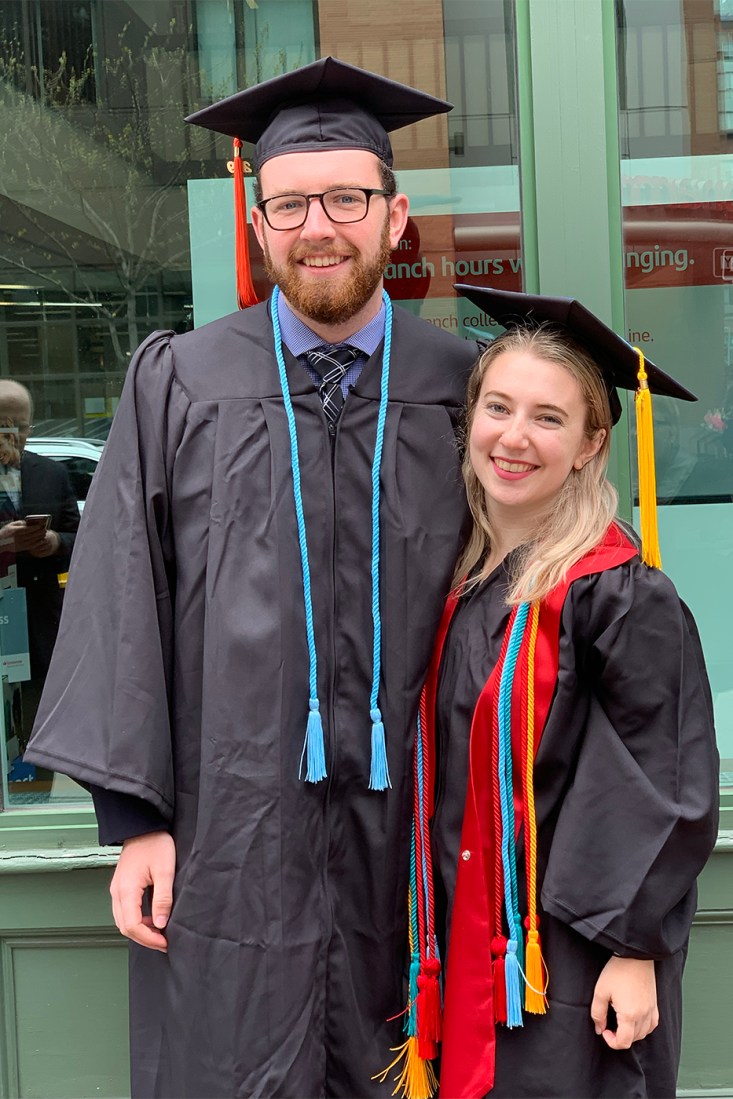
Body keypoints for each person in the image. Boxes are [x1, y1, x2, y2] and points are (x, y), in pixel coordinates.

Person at [25, 58, 480, 1098]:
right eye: (290, 203)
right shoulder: (181, 382)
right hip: (231, 827)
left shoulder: (466, 392)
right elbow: (117, 595)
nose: (319, 224)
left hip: (422, 825)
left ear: (395, 217)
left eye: (347, 198)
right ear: (259, 222)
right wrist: (136, 821)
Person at [415, 286, 719, 1099]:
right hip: (454, 941)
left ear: (590, 444)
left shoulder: (617, 596)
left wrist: (634, 949)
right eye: (497, 407)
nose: (513, 437)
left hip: (565, 959)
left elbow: (669, 782)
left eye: (547, 418)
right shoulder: (455, 581)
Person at [0, 380, 79, 759]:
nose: (14, 436)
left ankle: (36, 772)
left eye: (22, 426)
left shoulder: (52, 473)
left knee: (42, 709)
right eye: (4, 426)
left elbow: (80, 537)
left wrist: (54, 543)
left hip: (41, 612)